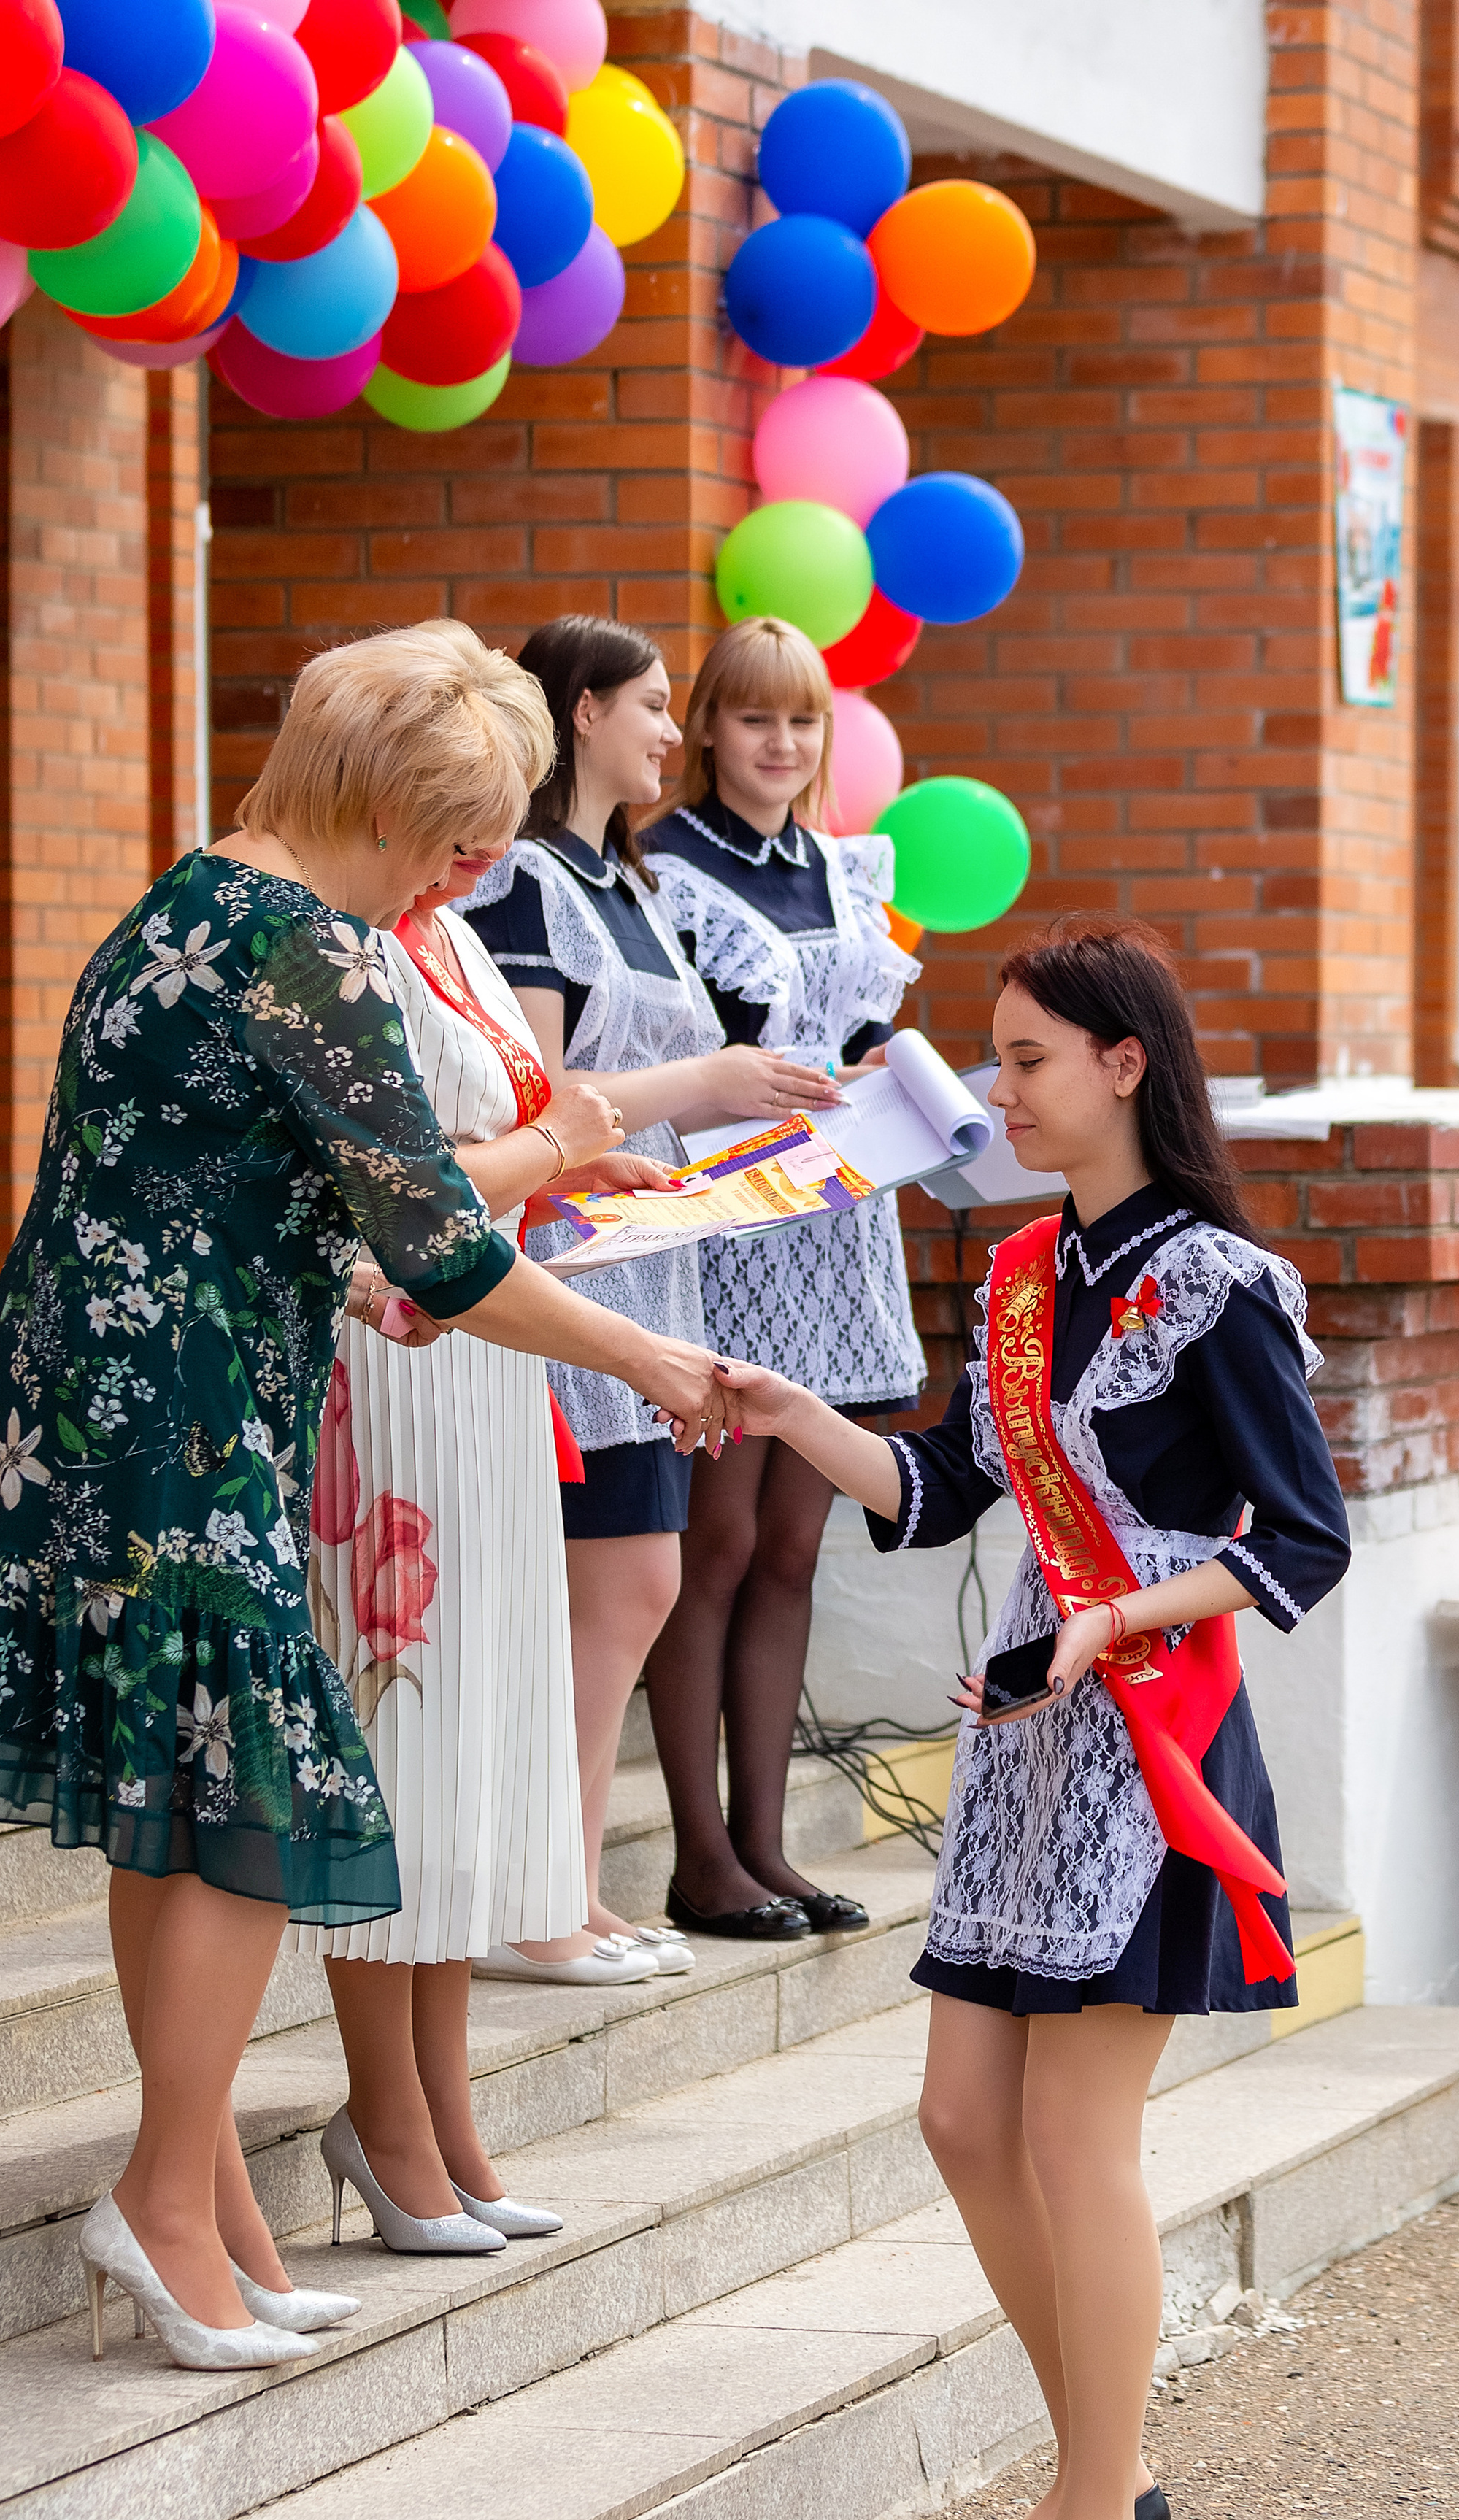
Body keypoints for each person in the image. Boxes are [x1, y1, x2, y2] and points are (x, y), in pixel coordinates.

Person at [0, 618, 734, 2370]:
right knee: (259, 1797)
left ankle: (209, 2199)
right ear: (396, 803)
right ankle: (165, 2199)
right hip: (176, 1414)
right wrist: (649, 1364)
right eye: (461, 830)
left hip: (93, 1393)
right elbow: (437, 1241)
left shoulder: (188, 895)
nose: (470, 867)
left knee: (180, 1801)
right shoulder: (310, 952)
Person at [712, 917, 1350, 2520]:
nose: (997, 1091)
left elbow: (1302, 1539)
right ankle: (1096, 2458)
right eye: (996, 1061)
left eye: (1023, 1061)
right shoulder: (1010, 1277)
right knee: (958, 2121)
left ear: (1121, 1066)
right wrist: (782, 1412)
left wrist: (1116, 1619)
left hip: (1148, 1746)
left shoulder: (1215, 1283)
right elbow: (929, 1492)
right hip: (1021, 1749)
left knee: (1076, 2144)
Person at [293, 824, 682, 2252]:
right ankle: (387, 2118)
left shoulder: (451, 933)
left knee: (470, 1752)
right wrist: (550, 1149)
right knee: (407, 1740)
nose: (483, 843)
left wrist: (572, 1174)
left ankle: (444, 2116)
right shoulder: (339, 942)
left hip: (488, 1354)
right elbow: (392, 1193)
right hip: (393, 1363)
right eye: (462, 809)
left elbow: (485, 1161)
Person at [453, 615, 845, 1968]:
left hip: (655, 1272)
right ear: (580, 715)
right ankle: (534, 1895)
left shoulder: (622, 884)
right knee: (614, 1582)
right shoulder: (522, 882)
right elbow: (532, 1110)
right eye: (655, 706)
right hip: (566, 1291)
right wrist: (711, 1086)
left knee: (634, 1582)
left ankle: (561, 1884)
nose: (673, 734)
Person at [639, 617, 926, 1938]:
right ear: (704, 728)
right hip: (732, 1223)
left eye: (801, 720)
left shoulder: (843, 868)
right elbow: (681, 1059)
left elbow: (863, 1035)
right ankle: (699, 1855)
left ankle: (767, 1844)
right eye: (753, 718)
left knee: (798, 1546)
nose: (780, 743)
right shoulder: (665, 869)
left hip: (842, 1222)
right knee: (721, 1539)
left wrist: (901, 1082)